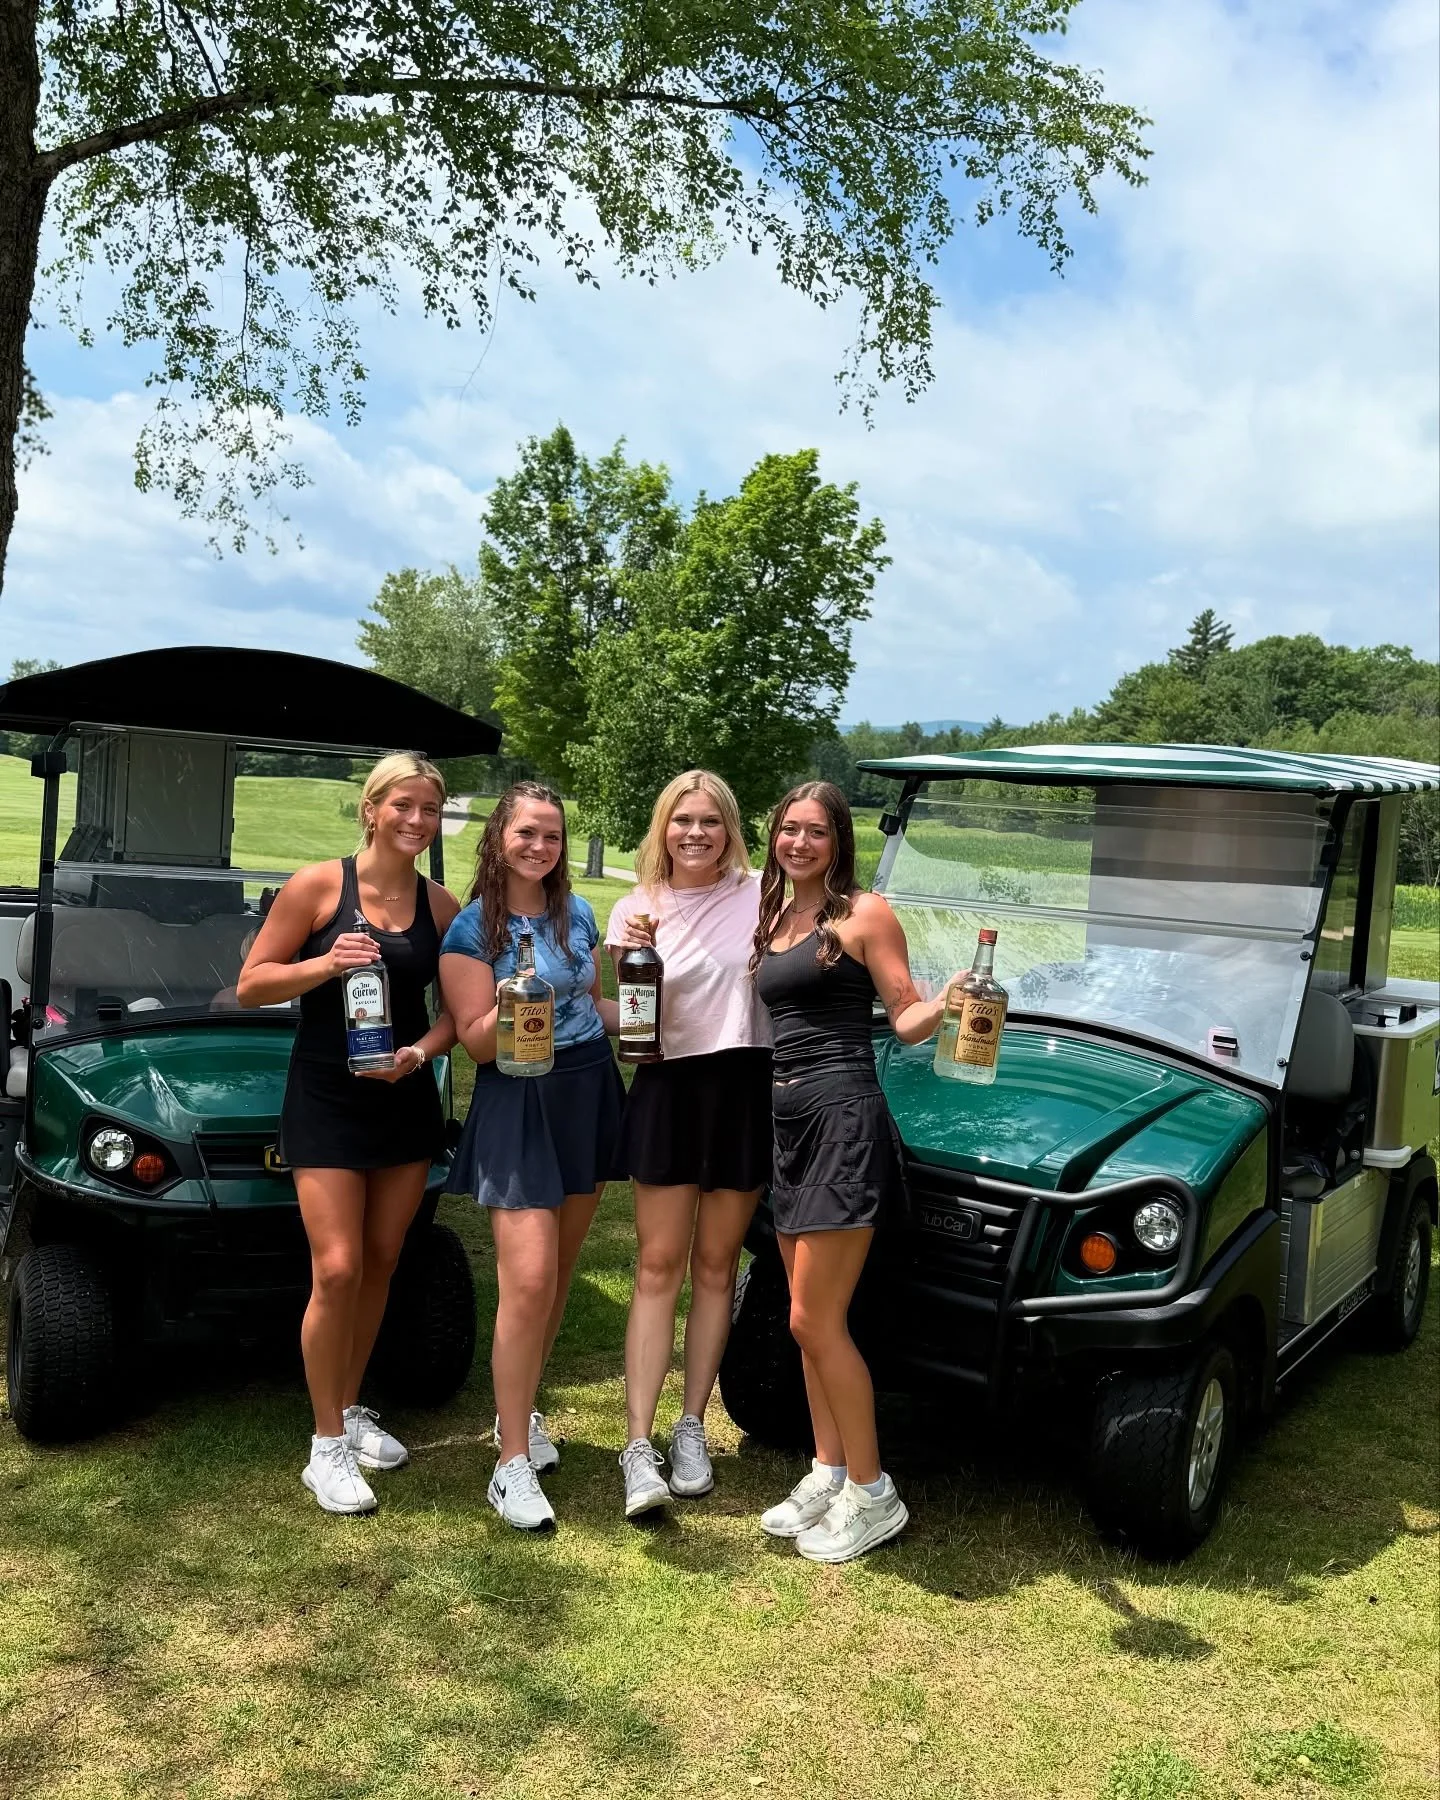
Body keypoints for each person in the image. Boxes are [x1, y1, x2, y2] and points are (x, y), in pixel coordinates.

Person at [238, 752, 460, 1516]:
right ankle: (325, 1444)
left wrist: (421, 1055)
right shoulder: (317, 886)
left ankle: (353, 1405)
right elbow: (251, 982)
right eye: (403, 805)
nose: (416, 820)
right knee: (334, 1268)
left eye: (429, 809)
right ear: (371, 809)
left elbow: (455, 1011)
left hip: (402, 1098)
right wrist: (325, 963)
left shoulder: (440, 905)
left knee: (381, 1260)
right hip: (327, 1095)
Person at [750, 780, 956, 1563]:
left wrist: (950, 1000)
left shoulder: (864, 914)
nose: (799, 843)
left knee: (815, 1319)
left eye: (815, 833)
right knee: (804, 1315)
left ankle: (874, 1494)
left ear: (839, 842)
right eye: (789, 830)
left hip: (842, 1118)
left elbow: (903, 1020)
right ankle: (828, 1471)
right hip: (787, 1123)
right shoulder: (775, 915)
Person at [439, 781, 623, 1530]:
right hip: (517, 1096)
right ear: (498, 838)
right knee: (529, 1278)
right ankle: (509, 1462)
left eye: (552, 835)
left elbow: (595, 1003)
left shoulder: (578, 913)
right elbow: (476, 1038)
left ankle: (524, 1414)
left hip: (585, 1089)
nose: (540, 847)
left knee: (557, 1278)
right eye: (527, 834)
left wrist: (660, 1016)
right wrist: (518, 1000)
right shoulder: (469, 933)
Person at [605, 771, 771, 1519]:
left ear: (730, 827)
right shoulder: (635, 910)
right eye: (681, 820)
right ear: (661, 828)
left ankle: (692, 1425)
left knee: (716, 1265)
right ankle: (638, 1445)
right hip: (669, 1089)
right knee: (657, 1264)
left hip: (744, 1087)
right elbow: (632, 1013)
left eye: (709, 820)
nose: (695, 833)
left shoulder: (766, 894)